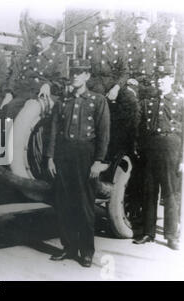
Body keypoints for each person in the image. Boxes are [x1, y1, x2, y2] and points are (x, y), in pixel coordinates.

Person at [46, 58, 110, 267]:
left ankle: (86, 251)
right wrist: (50, 158)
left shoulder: (97, 100)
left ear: (87, 76)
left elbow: (103, 133)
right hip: (64, 156)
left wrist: (98, 161)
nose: (75, 76)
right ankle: (69, 247)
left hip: (86, 156)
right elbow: (53, 132)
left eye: (80, 72)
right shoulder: (62, 101)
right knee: (64, 204)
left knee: (85, 205)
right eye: (73, 72)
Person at [0, 11, 67, 121]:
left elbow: (61, 82)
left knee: (11, 109)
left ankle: (8, 138)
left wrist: (48, 85)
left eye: (43, 35)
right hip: (19, 94)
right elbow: (13, 75)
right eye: (37, 34)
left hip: (39, 97)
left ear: (51, 39)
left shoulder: (57, 57)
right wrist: (9, 92)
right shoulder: (27, 56)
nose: (37, 37)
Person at [133, 62, 182, 250]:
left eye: (165, 78)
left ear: (171, 79)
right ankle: (148, 232)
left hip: (171, 148)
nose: (161, 81)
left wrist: (183, 159)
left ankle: (171, 235)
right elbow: (140, 130)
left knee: (170, 192)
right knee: (149, 191)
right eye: (159, 78)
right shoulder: (148, 103)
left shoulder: (179, 102)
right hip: (151, 149)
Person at [84, 12, 135, 159]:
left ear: (113, 28)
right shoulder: (91, 48)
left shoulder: (120, 48)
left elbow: (125, 72)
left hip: (111, 89)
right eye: (100, 26)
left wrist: (116, 88)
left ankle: (122, 152)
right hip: (92, 87)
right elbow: (85, 70)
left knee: (125, 109)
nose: (103, 29)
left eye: (106, 26)